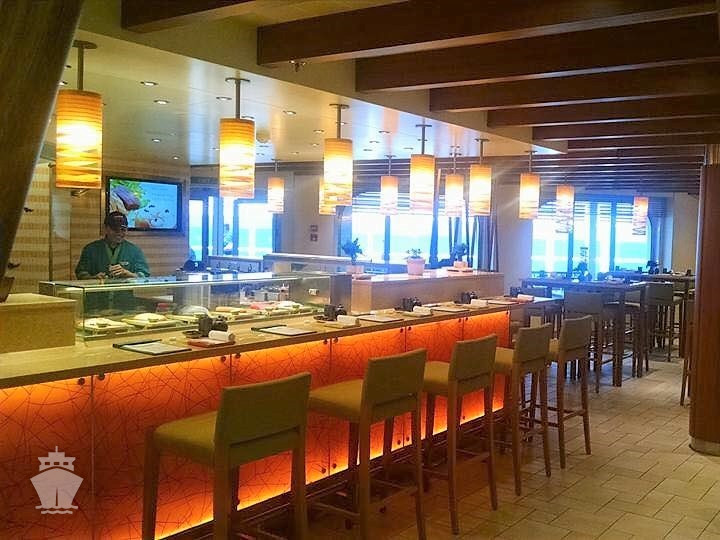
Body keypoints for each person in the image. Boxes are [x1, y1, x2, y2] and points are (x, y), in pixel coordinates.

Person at [75, 212, 150, 279]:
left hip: (125, 290)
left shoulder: (134, 250)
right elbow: (80, 273)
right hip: (98, 290)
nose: (119, 233)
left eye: (123, 230)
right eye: (115, 229)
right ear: (105, 228)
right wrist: (94, 278)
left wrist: (129, 274)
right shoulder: (90, 249)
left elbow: (145, 275)